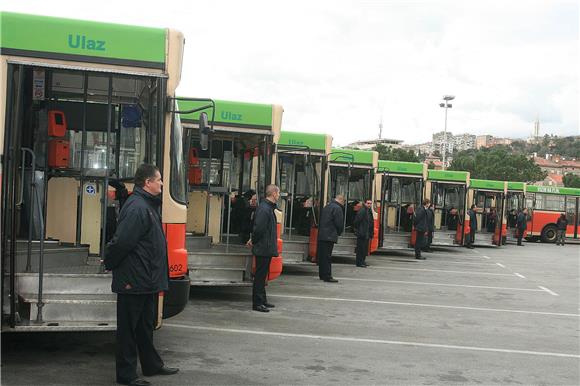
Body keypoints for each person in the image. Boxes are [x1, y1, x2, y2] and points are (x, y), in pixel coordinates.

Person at [105, 164, 179, 386]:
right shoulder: (138, 207)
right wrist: (110, 263)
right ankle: (126, 376)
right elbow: (122, 242)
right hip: (134, 280)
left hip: (146, 280)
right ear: (147, 183)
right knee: (128, 330)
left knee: (145, 326)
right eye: (159, 180)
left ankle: (151, 365)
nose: (162, 184)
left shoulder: (146, 205)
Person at [247, 184, 280, 312]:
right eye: (277, 193)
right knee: (260, 276)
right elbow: (259, 229)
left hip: (265, 247)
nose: (278, 195)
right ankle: (257, 303)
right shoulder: (265, 209)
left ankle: (263, 300)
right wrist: (253, 240)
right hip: (263, 247)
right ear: (273, 194)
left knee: (263, 275)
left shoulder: (267, 208)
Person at [317, 195, 345, 282]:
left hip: (322, 235)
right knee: (327, 257)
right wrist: (338, 232)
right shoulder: (338, 208)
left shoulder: (327, 206)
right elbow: (339, 223)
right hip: (330, 235)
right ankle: (327, 276)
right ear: (341, 200)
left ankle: (322, 274)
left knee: (322, 256)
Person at [353, 199, 374, 267]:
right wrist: (358, 230)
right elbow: (356, 221)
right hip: (362, 233)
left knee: (364, 249)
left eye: (370, 203)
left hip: (366, 233)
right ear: (364, 203)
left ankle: (363, 261)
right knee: (360, 249)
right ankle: (359, 262)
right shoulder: (362, 211)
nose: (369, 205)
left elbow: (371, 223)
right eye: (368, 203)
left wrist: (371, 233)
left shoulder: (369, 211)